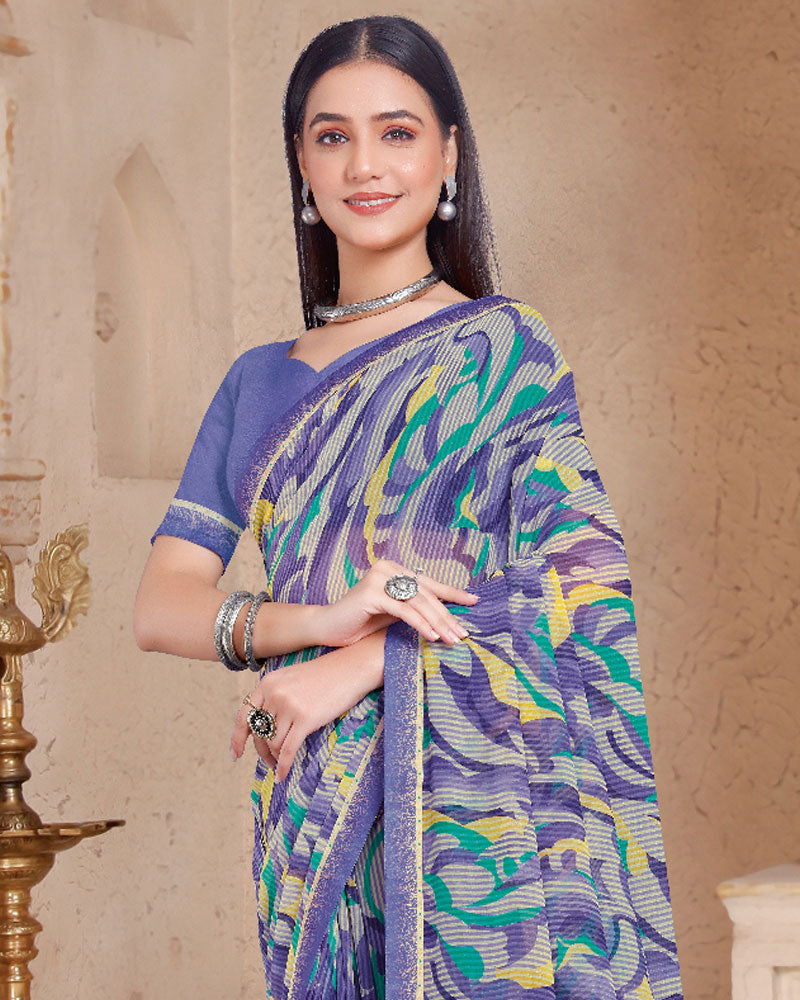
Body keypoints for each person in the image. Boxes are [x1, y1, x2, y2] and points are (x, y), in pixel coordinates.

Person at [134, 15, 684, 1000]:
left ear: (448, 155)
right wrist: (320, 624)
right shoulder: (258, 382)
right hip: (311, 802)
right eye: (332, 136)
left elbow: (579, 585)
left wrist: (361, 664)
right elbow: (161, 604)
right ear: (301, 163)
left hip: (485, 826)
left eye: (396, 132)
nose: (364, 165)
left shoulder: (507, 351)